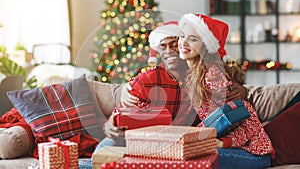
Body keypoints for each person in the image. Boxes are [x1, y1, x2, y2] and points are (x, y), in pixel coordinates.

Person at [94, 21, 249, 152]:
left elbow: (233, 99)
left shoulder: (202, 77)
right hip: (142, 142)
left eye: (174, 45)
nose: (168, 51)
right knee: (102, 153)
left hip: (180, 144)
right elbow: (119, 115)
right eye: (163, 46)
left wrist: (244, 91)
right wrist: (108, 127)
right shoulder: (146, 80)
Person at [178, 13, 274, 169]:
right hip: (233, 149)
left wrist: (223, 142)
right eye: (182, 36)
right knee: (182, 152)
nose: (183, 42)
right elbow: (214, 120)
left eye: (193, 39)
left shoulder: (212, 75)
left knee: (191, 157)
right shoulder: (193, 77)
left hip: (254, 154)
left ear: (205, 45)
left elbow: (250, 121)